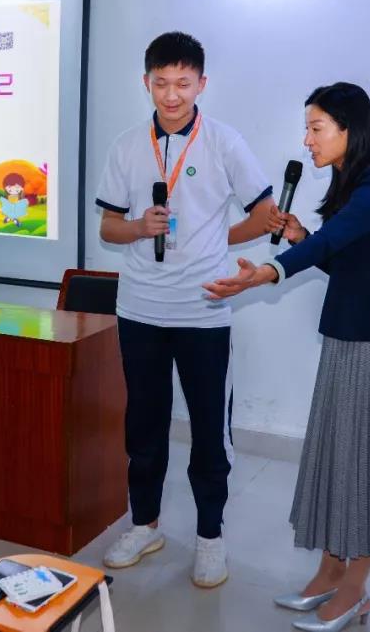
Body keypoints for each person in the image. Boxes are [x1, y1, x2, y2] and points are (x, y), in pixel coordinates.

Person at [204, 82, 370, 631]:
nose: (307, 140)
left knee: (367, 467)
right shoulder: (354, 186)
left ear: (349, 129)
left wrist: (270, 270)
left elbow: (331, 245)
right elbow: (343, 260)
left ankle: (355, 591)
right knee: (338, 458)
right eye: (308, 128)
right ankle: (328, 573)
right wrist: (300, 237)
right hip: (346, 339)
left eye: (317, 128)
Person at [94, 31, 274, 588]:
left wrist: (217, 242)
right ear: (145, 83)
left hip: (203, 312)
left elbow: (264, 213)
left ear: (202, 84)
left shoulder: (224, 142)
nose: (172, 95)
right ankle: (144, 525)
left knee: (207, 432)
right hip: (140, 309)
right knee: (143, 427)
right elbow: (108, 228)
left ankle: (210, 537)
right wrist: (137, 227)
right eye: (161, 83)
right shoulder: (127, 146)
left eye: (183, 83)